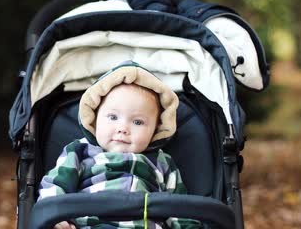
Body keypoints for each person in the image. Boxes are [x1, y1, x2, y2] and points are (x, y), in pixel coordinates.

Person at [38, 62, 202, 229]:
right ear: (95, 119)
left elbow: (180, 209)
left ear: (155, 129)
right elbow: (54, 185)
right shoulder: (80, 152)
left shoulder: (161, 162)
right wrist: (57, 217)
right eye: (113, 117)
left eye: (138, 122)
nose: (123, 129)